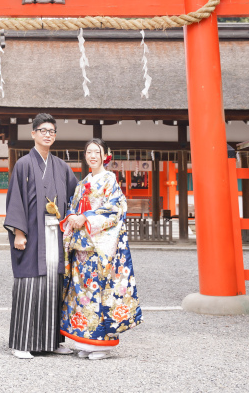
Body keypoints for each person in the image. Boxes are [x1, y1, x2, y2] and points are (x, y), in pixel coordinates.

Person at [4, 113, 78, 359]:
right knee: (29, 285)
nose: (48, 134)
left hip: (55, 233)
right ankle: (22, 343)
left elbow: (76, 197)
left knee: (54, 286)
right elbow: (16, 199)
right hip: (32, 233)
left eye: (52, 131)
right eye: (43, 130)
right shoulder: (24, 164)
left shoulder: (61, 166)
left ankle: (53, 341)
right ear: (33, 133)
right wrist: (18, 232)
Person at [60, 138, 142, 360]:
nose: (93, 155)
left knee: (100, 293)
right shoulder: (82, 183)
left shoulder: (109, 180)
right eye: (89, 152)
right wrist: (73, 218)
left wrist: (85, 217)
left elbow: (115, 209)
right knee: (82, 294)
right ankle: (86, 341)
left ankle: (102, 345)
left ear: (105, 155)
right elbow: (72, 208)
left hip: (100, 248)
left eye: (97, 152)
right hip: (82, 248)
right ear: (85, 156)